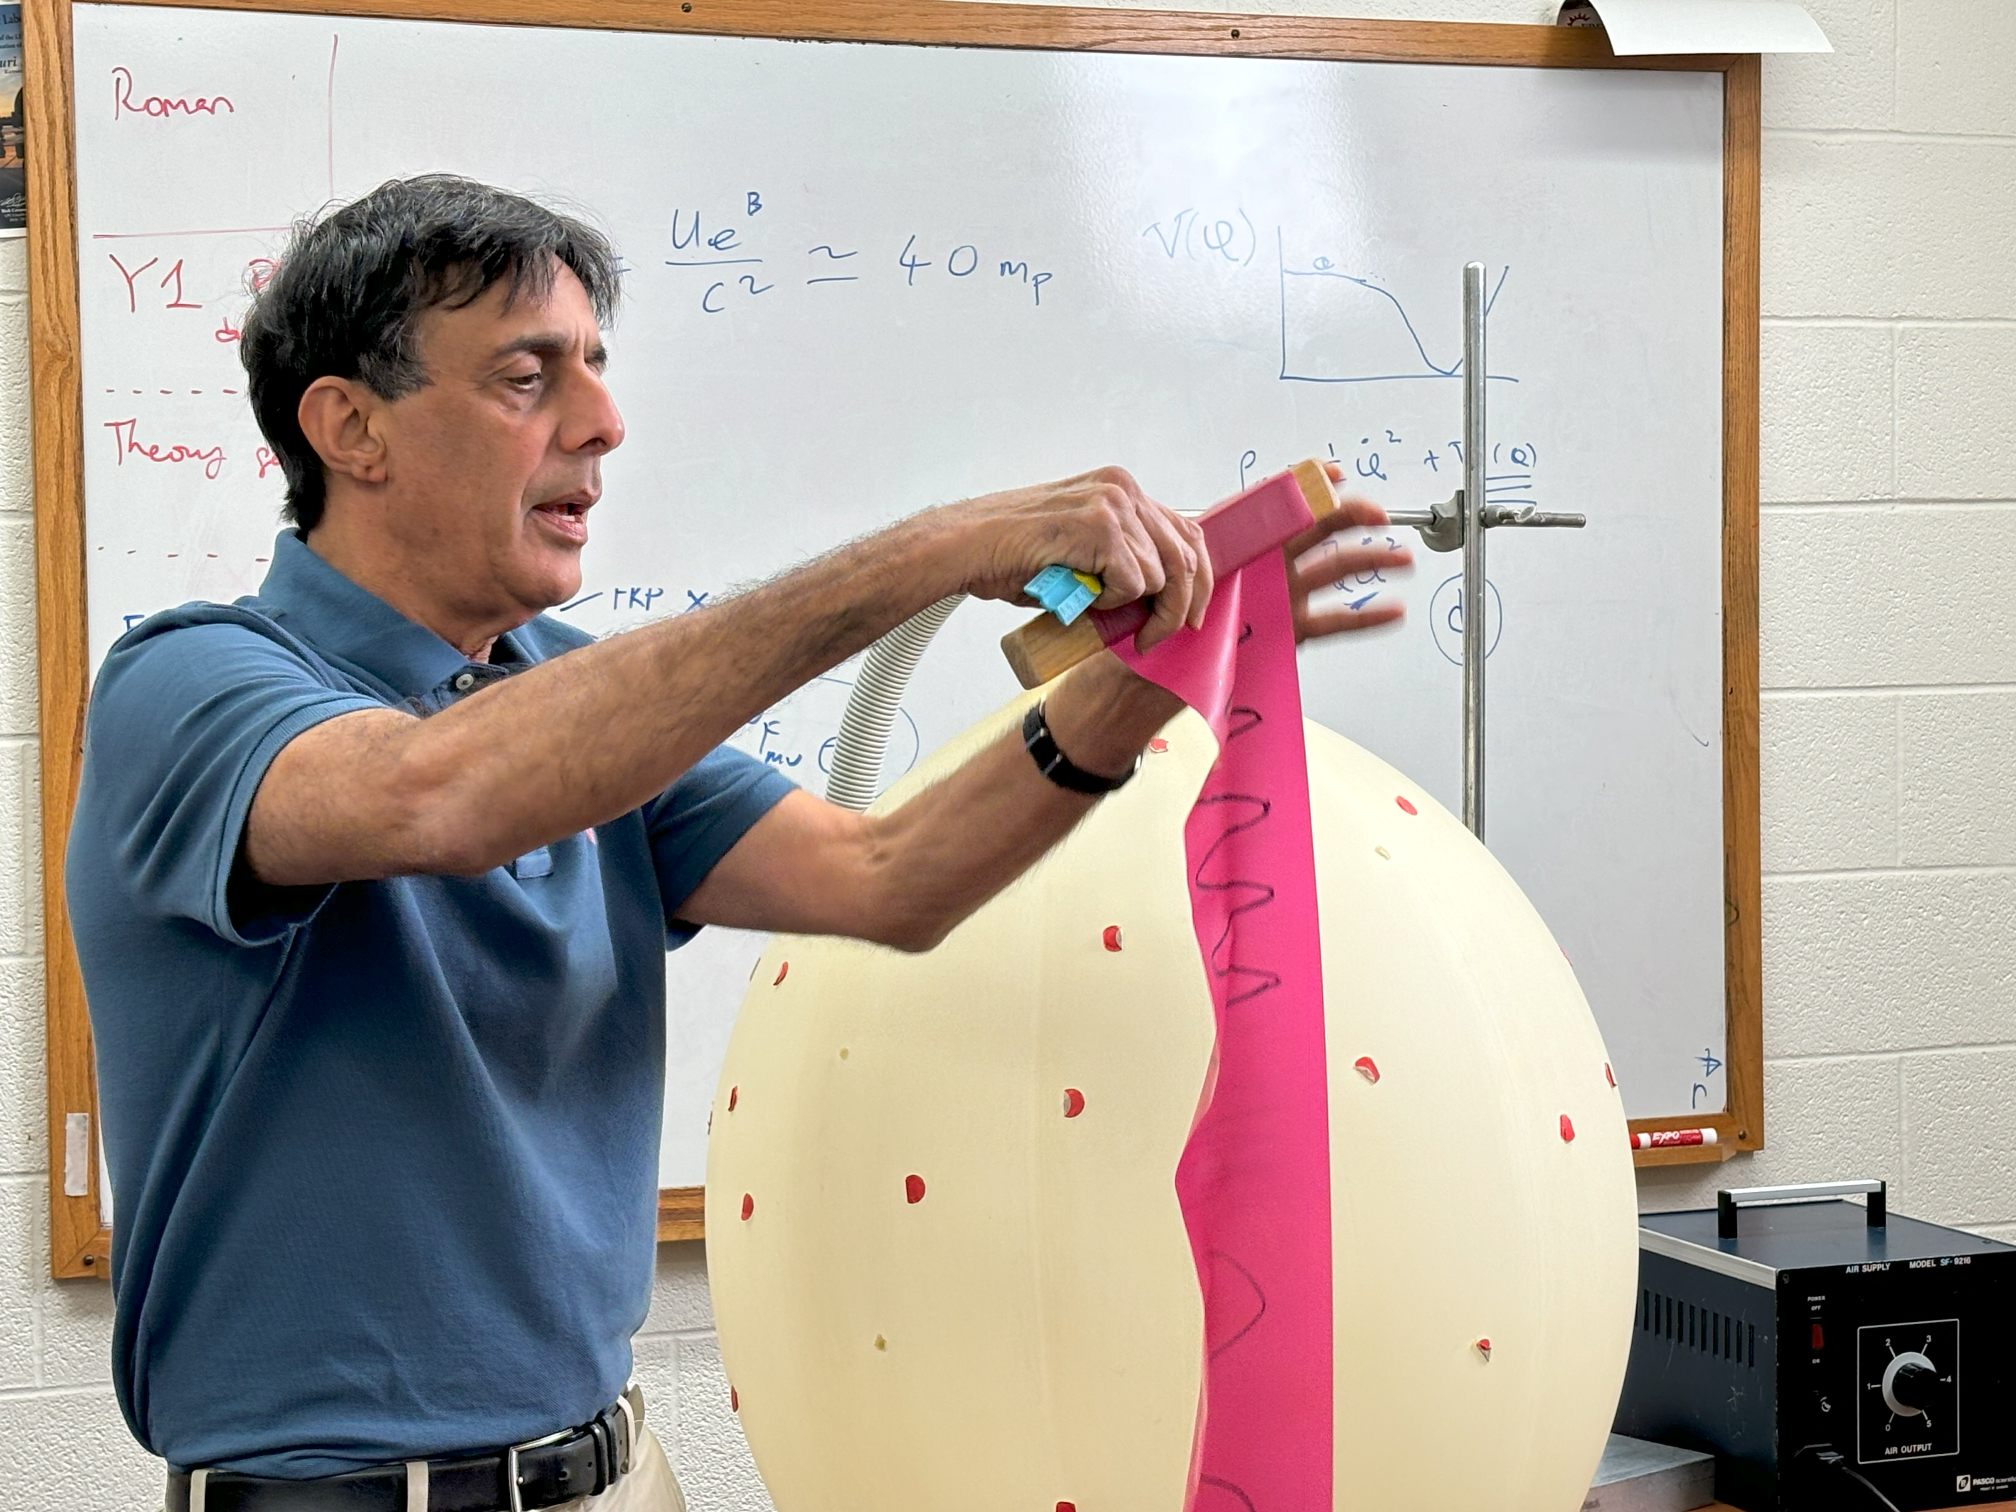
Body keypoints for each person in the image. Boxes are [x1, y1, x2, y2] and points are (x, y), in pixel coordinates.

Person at [65, 175, 1411, 1512]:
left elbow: (890, 877)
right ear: (351, 427)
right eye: (528, 378)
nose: (602, 423)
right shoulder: (190, 687)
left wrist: (1149, 679)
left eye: (595, 367)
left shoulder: (567, 698)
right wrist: (936, 552)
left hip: (609, 1473)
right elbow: (439, 799)